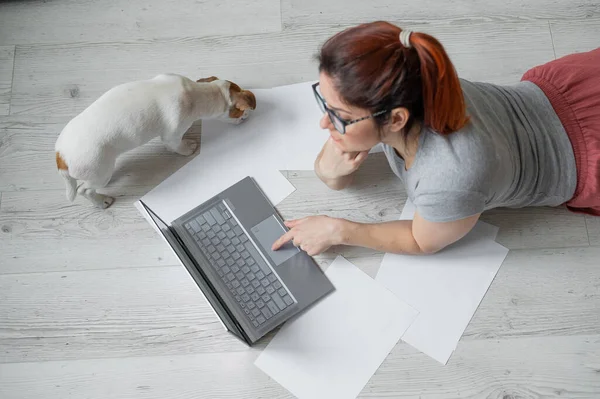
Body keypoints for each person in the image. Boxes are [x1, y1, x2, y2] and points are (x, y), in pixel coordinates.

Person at [272, 21, 600, 256]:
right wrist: (331, 169)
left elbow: (421, 240)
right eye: (325, 103)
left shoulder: (451, 177)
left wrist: (339, 231)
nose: (323, 123)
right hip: (567, 90)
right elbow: (334, 163)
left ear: (397, 118)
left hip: (587, 153)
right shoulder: (418, 77)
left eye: (339, 116)